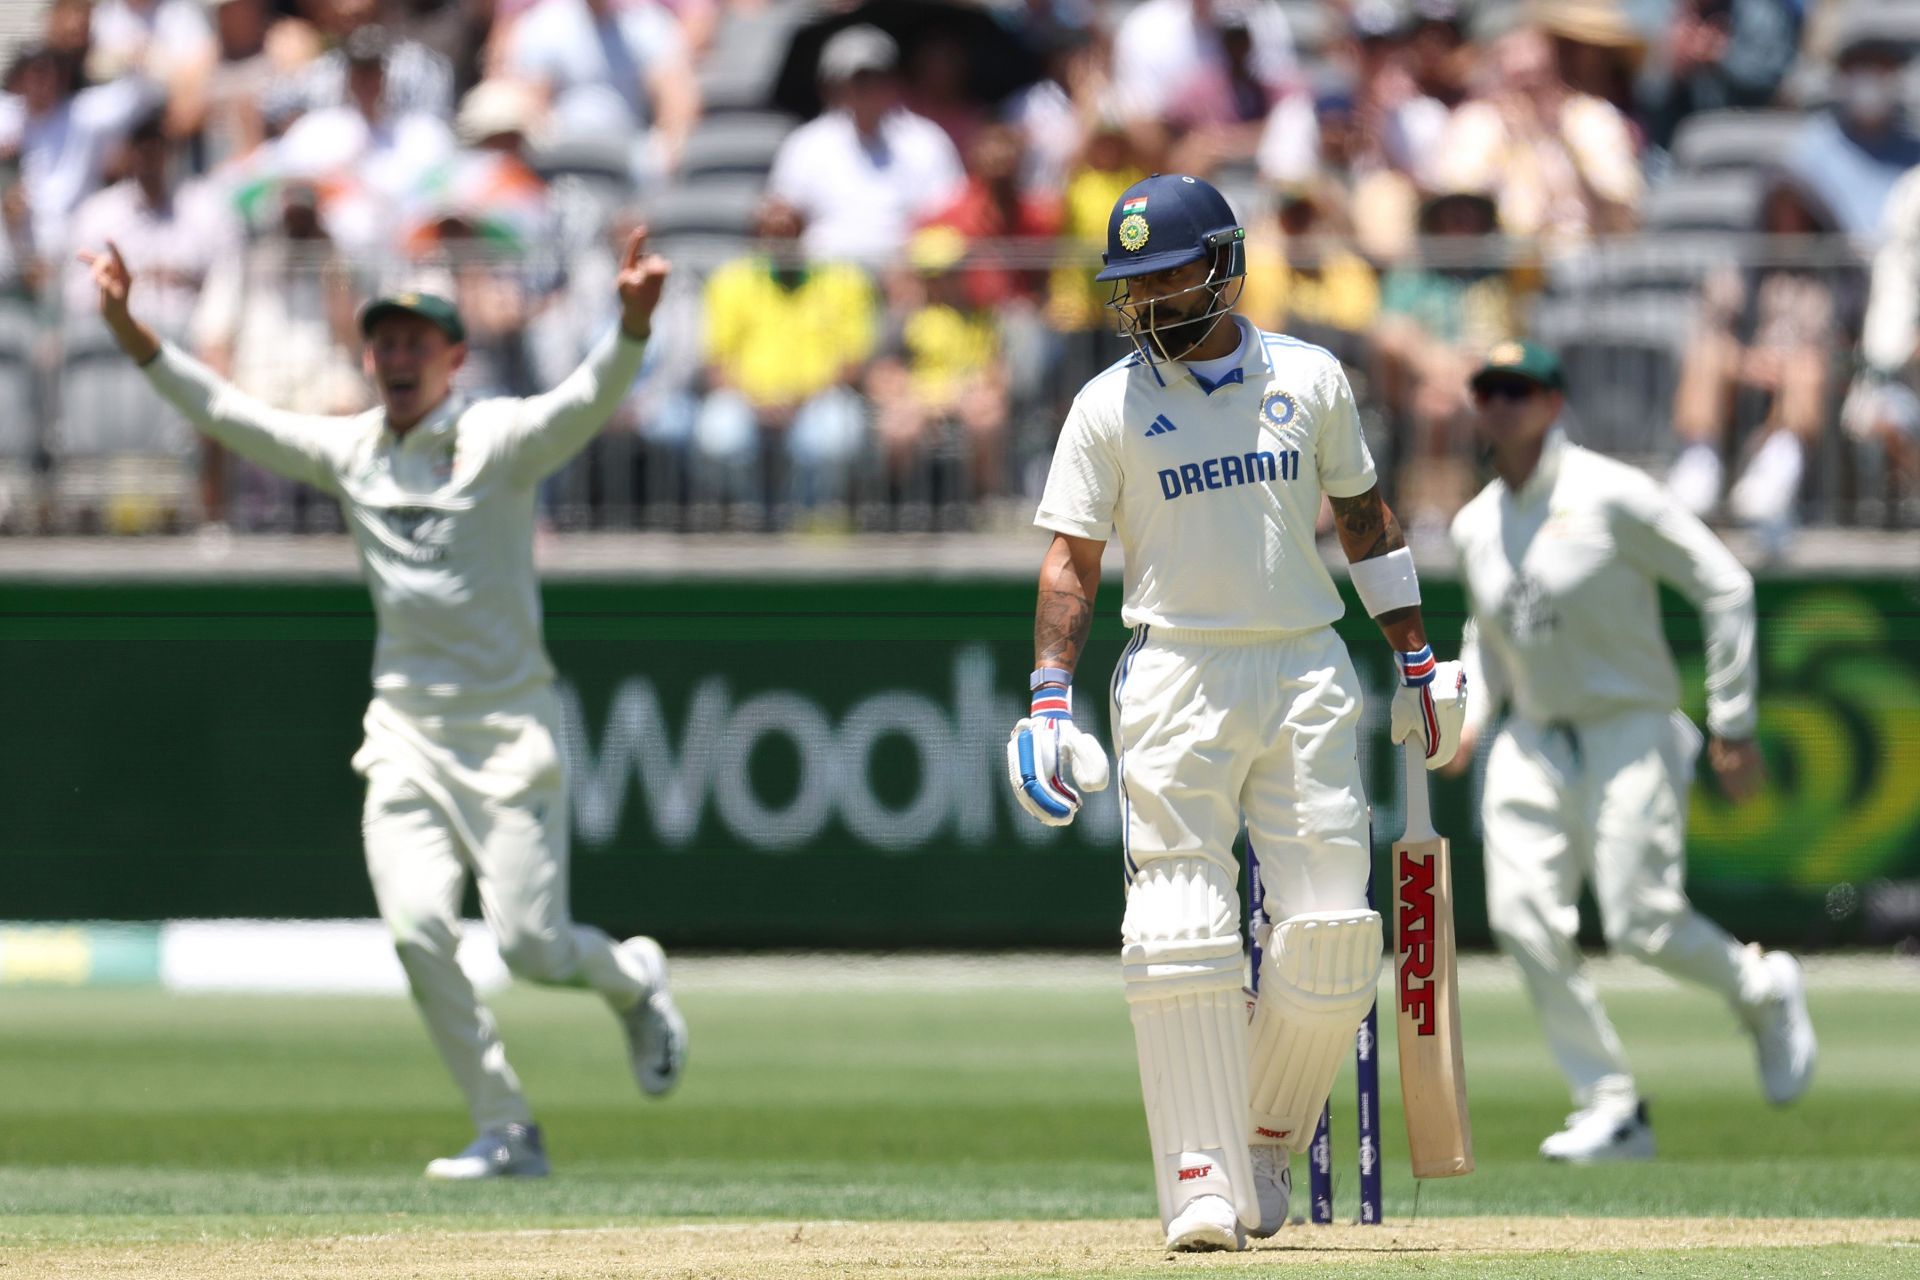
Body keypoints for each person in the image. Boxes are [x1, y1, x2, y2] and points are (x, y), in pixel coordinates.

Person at [79, 227, 690, 1180]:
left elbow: (586, 402)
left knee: (532, 949)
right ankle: (506, 1126)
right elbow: (228, 412)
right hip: (403, 736)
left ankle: (632, 980)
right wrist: (130, 330)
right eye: (386, 343)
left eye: (418, 343)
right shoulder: (352, 450)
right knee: (416, 930)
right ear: (370, 358)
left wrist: (631, 325)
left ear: (454, 358)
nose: (399, 357)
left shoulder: (497, 439)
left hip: (508, 737)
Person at [1005, 173, 1468, 1251]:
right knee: (1180, 924)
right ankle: (1200, 1174)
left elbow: (1362, 518)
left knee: (1335, 942)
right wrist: (1044, 696)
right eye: (1131, 283)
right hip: (1176, 671)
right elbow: (1071, 560)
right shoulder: (1105, 403)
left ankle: (1263, 1133)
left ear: (1223, 265)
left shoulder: (1309, 376)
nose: (1146, 300)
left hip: (1304, 668)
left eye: (1166, 274)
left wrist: (1416, 655)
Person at [1444, 340, 1817, 1163]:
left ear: (1552, 401)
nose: (1501, 403)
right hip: (1533, 740)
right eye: (1489, 389)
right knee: (1519, 917)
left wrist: (1734, 722)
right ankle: (1610, 1103)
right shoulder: (1475, 525)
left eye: (1520, 388)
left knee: (1643, 922)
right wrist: (1471, 711)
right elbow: (1486, 634)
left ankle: (1761, 989)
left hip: (1629, 727)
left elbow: (1725, 585)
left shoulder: (1612, 495)